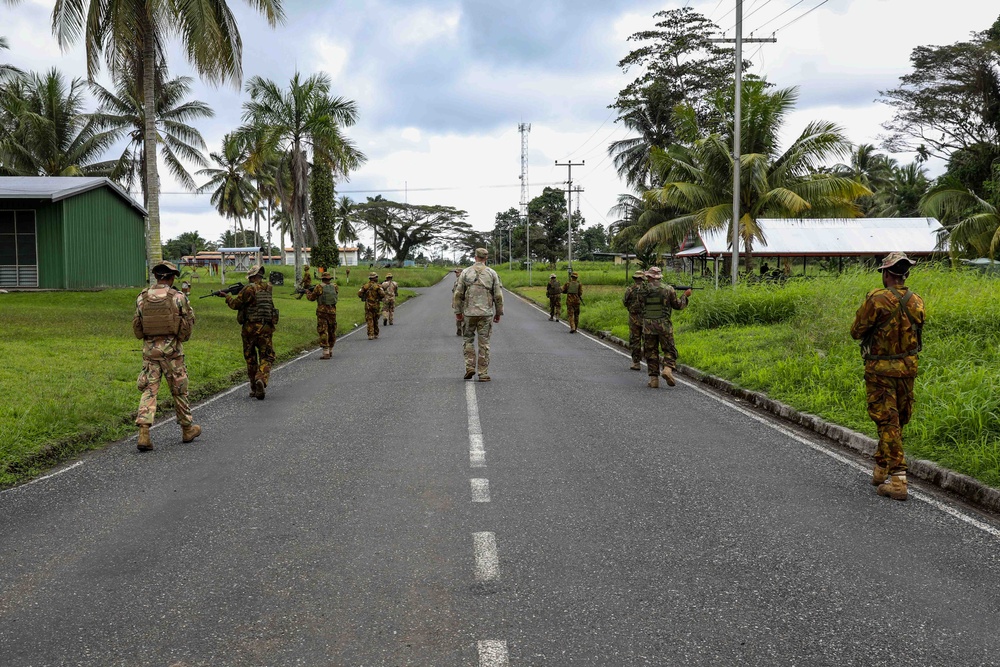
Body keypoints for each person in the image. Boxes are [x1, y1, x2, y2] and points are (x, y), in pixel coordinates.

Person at [850, 252, 924, 501]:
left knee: (887, 421)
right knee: (897, 420)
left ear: (886, 274)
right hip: (908, 369)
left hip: (880, 370)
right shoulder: (917, 300)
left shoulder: (877, 299)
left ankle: (898, 479)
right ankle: (881, 468)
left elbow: (856, 331)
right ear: (905, 274)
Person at [132, 261, 200, 451]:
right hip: (173, 354)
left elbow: (138, 328)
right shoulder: (178, 297)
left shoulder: (142, 297)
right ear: (171, 278)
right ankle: (187, 429)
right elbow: (187, 326)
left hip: (150, 354)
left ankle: (144, 433)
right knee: (179, 390)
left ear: (156, 277)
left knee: (149, 390)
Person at [220, 264, 278, 399]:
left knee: (251, 358)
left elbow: (235, 305)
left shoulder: (248, 289)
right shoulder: (268, 288)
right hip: (265, 328)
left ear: (252, 276)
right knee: (267, 356)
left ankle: (254, 387)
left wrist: (226, 297)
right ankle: (261, 379)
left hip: (249, 329)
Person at [453, 248, 504, 381]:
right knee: (484, 343)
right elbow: (498, 295)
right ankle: (483, 373)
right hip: (486, 313)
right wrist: (498, 312)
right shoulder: (492, 273)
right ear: (486, 258)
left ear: (475, 257)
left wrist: (458, 312)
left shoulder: (465, 272)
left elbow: (458, 294)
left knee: (468, 340)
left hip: (469, 313)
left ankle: (470, 366)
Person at [642, 266, 690, 388]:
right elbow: (678, 306)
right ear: (659, 277)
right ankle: (667, 370)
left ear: (648, 277)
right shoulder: (668, 290)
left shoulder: (642, 290)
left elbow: (636, 307)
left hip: (648, 326)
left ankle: (653, 380)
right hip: (664, 326)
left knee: (651, 352)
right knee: (669, 350)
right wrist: (685, 296)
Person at [306, 271, 338, 359]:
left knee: (323, 330)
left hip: (322, 312)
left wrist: (307, 293)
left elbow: (312, 298)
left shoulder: (319, 287)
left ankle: (326, 351)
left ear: (322, 279)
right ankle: (331, 349)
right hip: (332, 311)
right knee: (332, 330)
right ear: (329, 279)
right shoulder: (335, 286)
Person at [622, 270, 647, 371]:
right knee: (648, 340)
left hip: (634, 317)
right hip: (646, 318)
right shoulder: (648, 289)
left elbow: (625, 302)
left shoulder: (630, 289)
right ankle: (651, 362)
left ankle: (636, 362)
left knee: (635, 340)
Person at [357, 271, 386, 339]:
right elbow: (383, 294)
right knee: (375, 319)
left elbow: (359, 294)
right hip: (376, 304)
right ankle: (376, 333)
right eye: (376, 277)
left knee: (369, 319)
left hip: (368, 305)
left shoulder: (365, 286)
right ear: (375, 278)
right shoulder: (378, 286)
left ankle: (370, 334)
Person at [452, 268, 464, 335]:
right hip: (457, 301)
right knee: (458, 314)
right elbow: (454, 292)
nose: (456, 274)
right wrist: (453, 301)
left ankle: (463, 328)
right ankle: (459, 328)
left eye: (458, 272)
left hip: (463, 300)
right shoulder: (456, 282)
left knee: (463, 315)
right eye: (456, 272)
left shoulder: (465, 281)